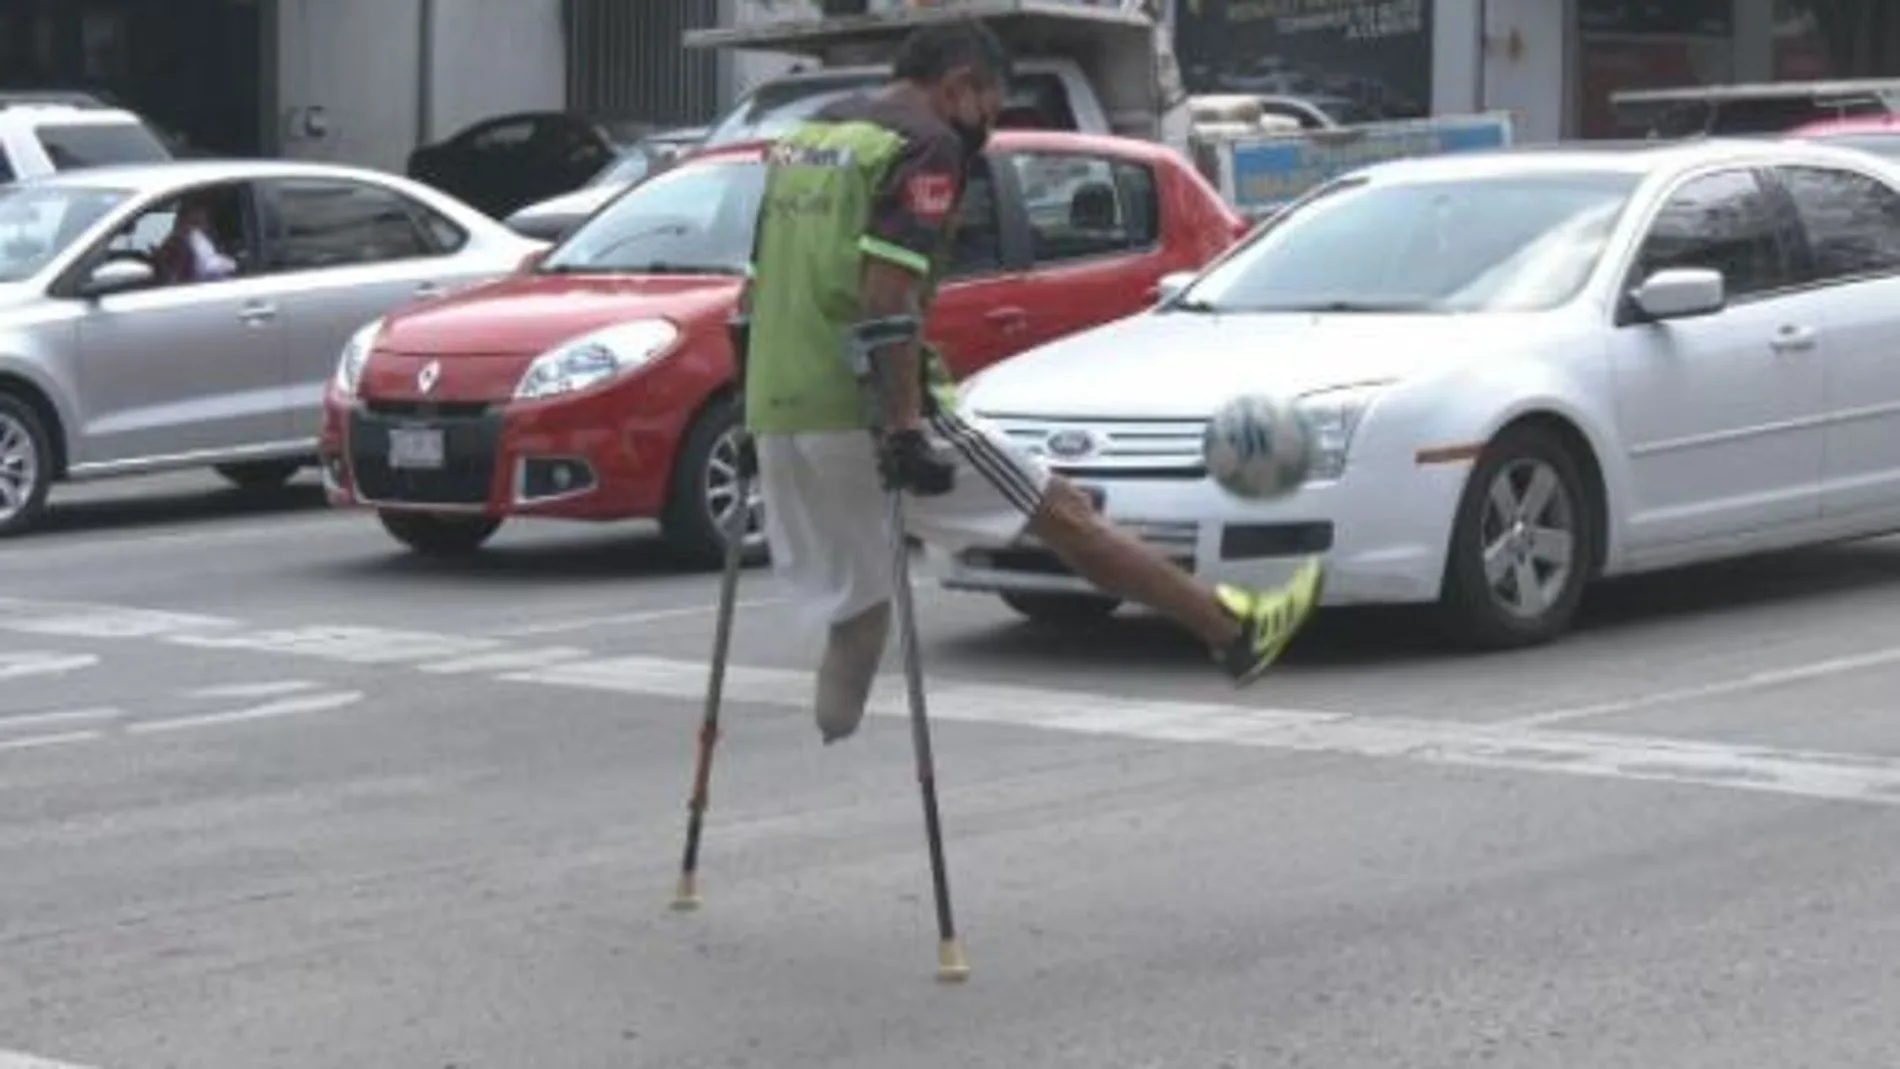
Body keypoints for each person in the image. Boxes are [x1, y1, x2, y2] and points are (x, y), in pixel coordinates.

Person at [740, 17, 1324, 745]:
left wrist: (749, 399)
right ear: (960, 87)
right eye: (990, 108)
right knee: (1066, 516)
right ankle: (1232, 630)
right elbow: (888, 300)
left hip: (783, 408)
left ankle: (832, 730)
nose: (988, 127)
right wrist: (903, 427)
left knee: (862, 602)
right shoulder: (927, 145)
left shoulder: (811, 136)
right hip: (861, 402)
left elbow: (753, 288)